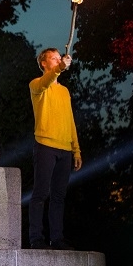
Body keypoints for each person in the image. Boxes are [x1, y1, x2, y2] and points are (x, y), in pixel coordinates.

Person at [27, 48, 82, 250]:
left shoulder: (64, 91)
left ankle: (57, 239)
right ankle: (36, 238)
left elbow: (70, 121)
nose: (59, 60)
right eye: (54, 58)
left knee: (59, 195)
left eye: (60, 58)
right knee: (41, 192)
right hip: (45, 145)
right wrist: (59, 69)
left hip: (64, 148)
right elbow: (45, 82)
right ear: (44, 63)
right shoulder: (36, 84)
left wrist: (76, 150)